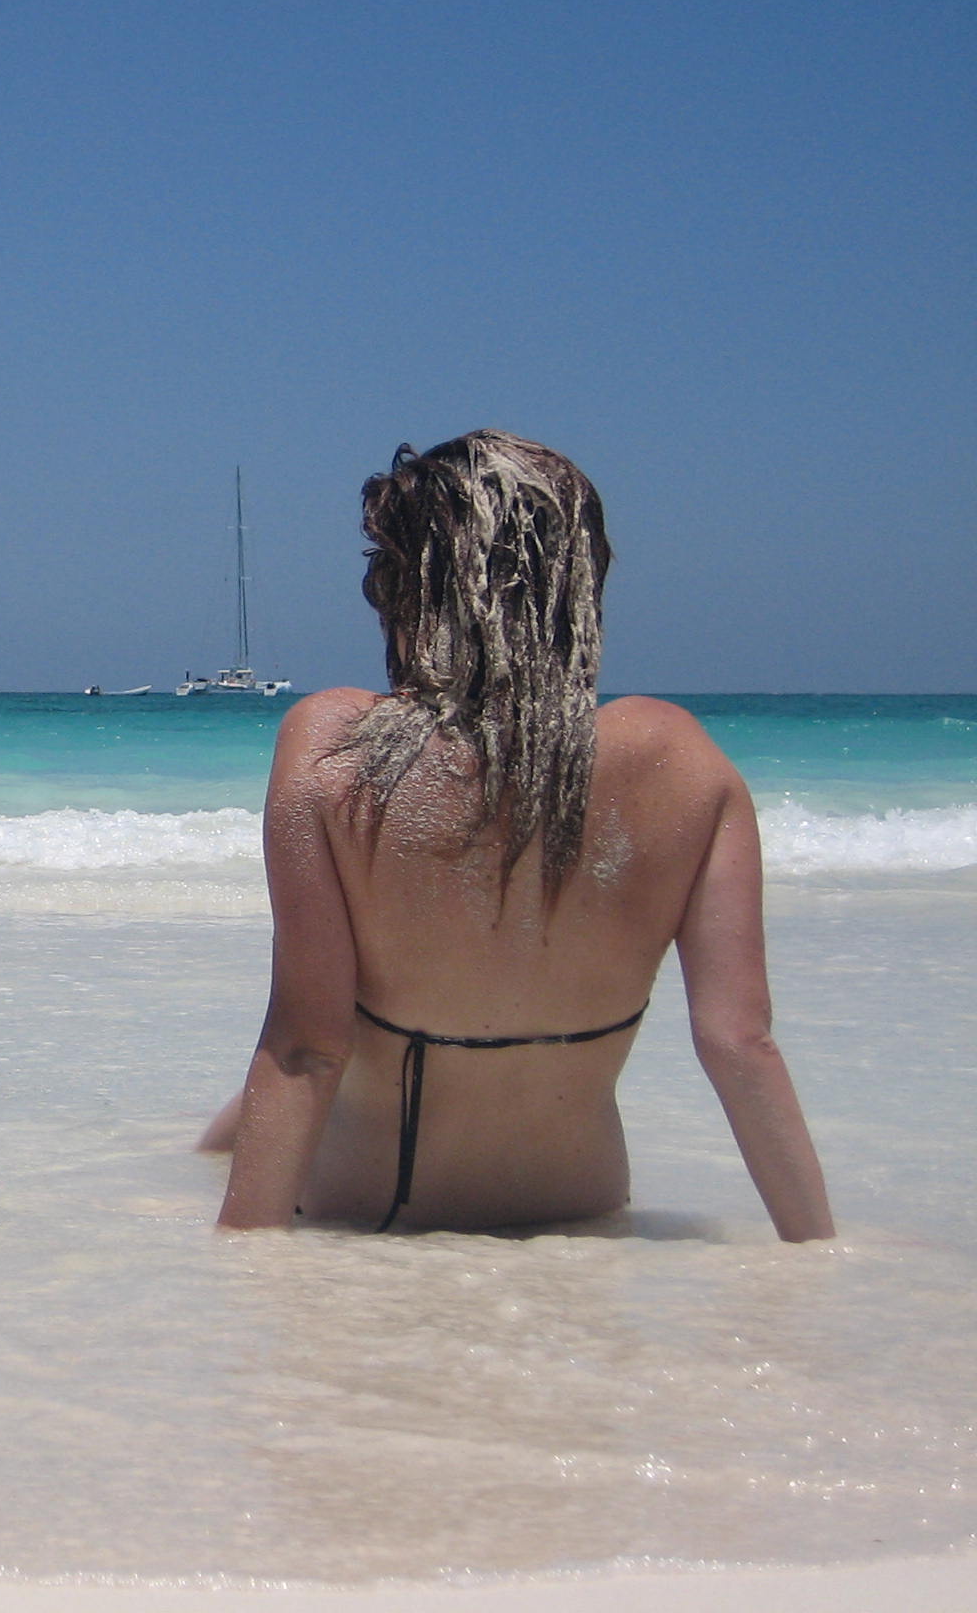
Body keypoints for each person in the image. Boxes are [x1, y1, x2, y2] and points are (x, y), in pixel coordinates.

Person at [207, 433, 833, 1241]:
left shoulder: (335, 745)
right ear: (581, 579)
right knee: (227, 1123)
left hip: (373, 1213)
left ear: (415, 587)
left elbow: (307, 1049)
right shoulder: (678, 758)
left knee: (241, 1121)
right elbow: (740, 1043)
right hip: (581, 1206)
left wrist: (243, 1260)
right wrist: (819, 1249)